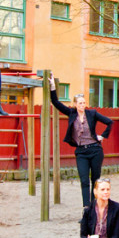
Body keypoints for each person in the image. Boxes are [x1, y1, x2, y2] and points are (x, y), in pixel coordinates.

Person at [49, 79, 113, 209]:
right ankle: (86, 209)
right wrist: (52, 87)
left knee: (95, 181)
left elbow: (110, 122)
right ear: (75, 104)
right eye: (80, 103)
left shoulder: (92, 113)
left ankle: (95, 209)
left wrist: (103, 136)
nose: (82, 105)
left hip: (95, 150)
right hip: (81, 152)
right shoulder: (71, 113)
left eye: (84, 102)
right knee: (84, 181)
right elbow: (55, 102)